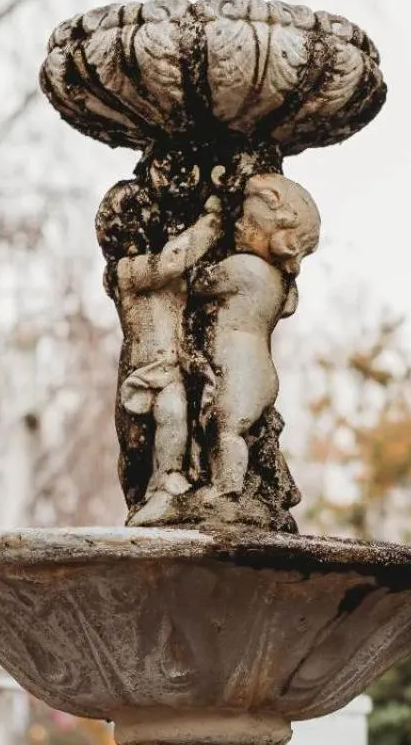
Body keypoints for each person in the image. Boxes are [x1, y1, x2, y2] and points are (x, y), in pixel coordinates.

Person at [193, 173, 320, 504]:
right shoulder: (281, 285)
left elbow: (201, 283)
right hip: (260, 371)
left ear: (281, 239)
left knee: (228, 429)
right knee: (253, 432)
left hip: (241, 369)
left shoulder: (246, 268)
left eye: (248, 221)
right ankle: (284, 487)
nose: (238, 226)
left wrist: (205, 234)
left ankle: (227, 488)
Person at [107, 191, 224, 525]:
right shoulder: (127, 270)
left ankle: (170, 480)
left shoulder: (167, 274)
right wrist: (211, 221)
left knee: (173, 414)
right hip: (143, 370)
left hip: (172, 366)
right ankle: (143, 494)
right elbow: (172, 260)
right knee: (135, 447)